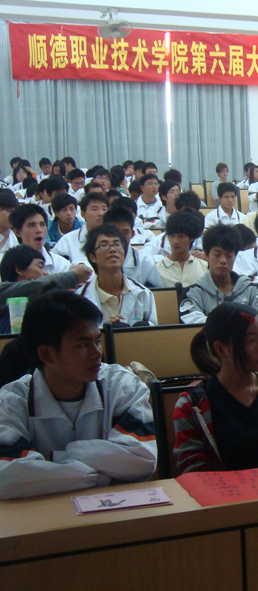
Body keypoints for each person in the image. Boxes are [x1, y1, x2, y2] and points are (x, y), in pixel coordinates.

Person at [0, 290, 157, 499]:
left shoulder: (123, 386)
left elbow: (143, 460)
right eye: (83, 345)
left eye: (97, 341)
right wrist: (102, 476)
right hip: (45, 515)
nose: (97, 353)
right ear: (46, 354)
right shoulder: (11, 401)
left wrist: (56, 459)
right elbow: (7, 477)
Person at [173, 303, 258, 474]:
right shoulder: (193, 406)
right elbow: (194, 471)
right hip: (222, 491)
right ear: (221, 349)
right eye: (251, 340)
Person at [180, 225, 258, 324]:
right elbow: (192, 322)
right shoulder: (192, 293)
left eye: (229, 256)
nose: (223, 261)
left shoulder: (251, 289)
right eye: (217, 255)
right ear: (206, 255)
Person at [78, 225, 158, 326]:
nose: (112, 249)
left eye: (117, 244)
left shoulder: (143, 293)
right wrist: (106, 331)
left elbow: (154, 332)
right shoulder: (79, 298)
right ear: (92, 257)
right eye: (104, 245)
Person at [103, 208, 162, 288]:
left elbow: (157, 292)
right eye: (115, 233)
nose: (120, 238)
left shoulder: (145, 262)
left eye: (125, 233)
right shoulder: (95, 259)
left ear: (132, 234)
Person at [11, 203, 70, 275]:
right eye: (32, 225)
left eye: (42, 224)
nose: (39, 230)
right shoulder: (7, 264)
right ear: (17, 232)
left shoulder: (61, 265)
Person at [52, 192, 109, 266]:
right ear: (83, 214)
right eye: (94, 209)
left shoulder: (117, 238)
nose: (101, 213)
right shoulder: (67, 241)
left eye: (104, 209)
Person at [156, 210, 207, 288]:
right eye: (172, 236)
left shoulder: (205, 267)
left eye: (181, 236)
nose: (175, 241)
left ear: (192, 238)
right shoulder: (157, 270)